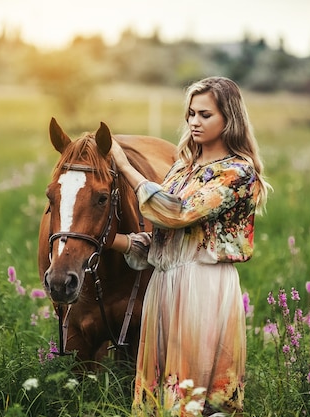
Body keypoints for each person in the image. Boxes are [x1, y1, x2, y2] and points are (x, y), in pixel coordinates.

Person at [109, 76, 271, 416]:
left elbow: (178, 214)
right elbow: (164, 242)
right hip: (165, 283)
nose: (194, 122)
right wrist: (112, 241)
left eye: (205, 115)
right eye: (191, 114)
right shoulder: (183, 168)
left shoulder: (237, 173)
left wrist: (125, 167)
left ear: (230, 118)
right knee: (160, 394)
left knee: (194, 393)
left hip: (202, 286)